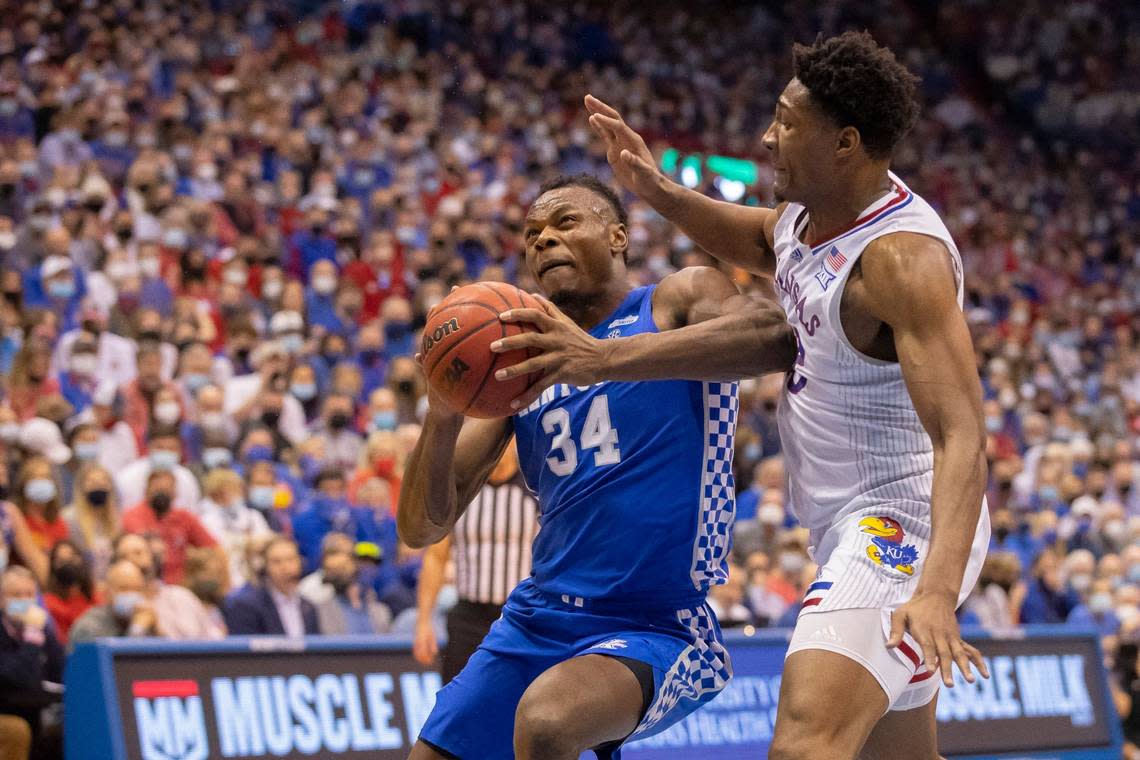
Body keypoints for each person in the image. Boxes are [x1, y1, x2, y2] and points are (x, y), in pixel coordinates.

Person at [551, 31, 991, 757]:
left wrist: (938, 589)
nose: (767, 136)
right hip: (845, 523)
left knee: (803, 743)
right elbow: (761, 241)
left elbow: (963, 435)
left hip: (901, 527)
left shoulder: (901, 261)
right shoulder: (809, 219)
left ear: (845, 142)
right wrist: (655, 189)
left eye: (788, 122)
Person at [401, 174, 794, 760]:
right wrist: (442, 409)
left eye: (564, 223)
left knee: (550, 721)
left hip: (660, 622)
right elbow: (422, 526)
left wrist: (600, 358)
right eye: (532, 234)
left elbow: (775, 337)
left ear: (617, 236)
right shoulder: (521, 367)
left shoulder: (675, 300)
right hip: (537, 618)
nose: (543, 241)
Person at [413, 441, 539, 683]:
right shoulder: (460, 491)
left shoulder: (535, 488)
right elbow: (435, 557)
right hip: (468, 615)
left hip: (521, 615)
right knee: (456, 702)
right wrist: (423, 621)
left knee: (520, 702)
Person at [0, 567, 64, 760]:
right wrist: (33, 636)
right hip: (5, 708)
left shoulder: (39, 626)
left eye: (29, 594)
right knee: (20, 730)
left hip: (35, 708)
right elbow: (15, 677)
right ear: (2, 599)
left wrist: (47, 633)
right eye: (16, 595)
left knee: (67, 728)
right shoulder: (27, 631)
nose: (24, 600)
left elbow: (59, 671)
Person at [109, 533, 222, 640]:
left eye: (139, 553)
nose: (134, 560)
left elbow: (210, 641)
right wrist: (138, 628)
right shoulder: (117, 609)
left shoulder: (180, 597)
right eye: (124, 556)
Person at [120, 470, 220, 586]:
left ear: (175, 493)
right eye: (158, 488)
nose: (163, 492)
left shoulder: (183, 517)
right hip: (142, 583)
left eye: (168, 488)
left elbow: (215, 549)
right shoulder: (133, 516)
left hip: (179, 585)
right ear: (146, 490)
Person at [222, 537, 319, 636]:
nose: (285, 567)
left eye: (290, 560)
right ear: (265, 567)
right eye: (276, 562)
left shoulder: (309, 607)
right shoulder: (246, 605)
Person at [197, 468, 274, 588]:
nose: (233, 495)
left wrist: (244, 543)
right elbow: (219, 547)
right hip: (226, 579)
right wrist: (248, 542)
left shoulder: (253, 515)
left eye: (236, 489)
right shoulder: (206, 520)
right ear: (215, 495)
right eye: (226, 491)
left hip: (256, 578)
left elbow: (267, 542)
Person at [69, 560, 160, 645]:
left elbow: (167, 658)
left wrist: (156, 629)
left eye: (137, 589)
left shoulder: (143, 618)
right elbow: (119, 660)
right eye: (123, 589)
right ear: (107, 593)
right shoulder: (89, 626)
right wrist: (136, 630)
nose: (131, 594)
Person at [113, 425, 202, 511]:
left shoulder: (187, 479)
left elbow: (193, 513)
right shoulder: (127, 477)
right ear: (148, 447)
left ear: (180, 451)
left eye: (171, 448)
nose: (165, 452)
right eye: (160, 447)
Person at [311, 547, 392, 635]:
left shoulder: (380, 610)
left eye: (342, 568)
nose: (338, 575)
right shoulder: (322, 611)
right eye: (332, 570)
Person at [61, 465, 120, 580]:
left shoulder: (116, 519)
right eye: (92, 482)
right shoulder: (69, 519)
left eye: (103, 482)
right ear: (81, 487)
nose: (98, 486)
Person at [40, 540, 99, 645]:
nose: (68, 564)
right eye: (61, 561)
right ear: (53, 567)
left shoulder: (95, 597)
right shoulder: (49, 603)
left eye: (72, 558)